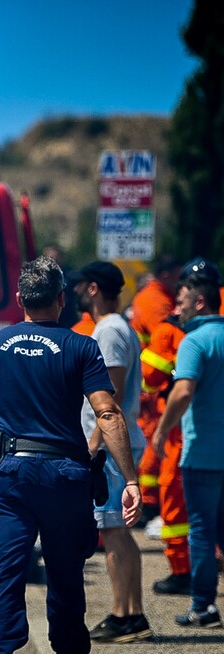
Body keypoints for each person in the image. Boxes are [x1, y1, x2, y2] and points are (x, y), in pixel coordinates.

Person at [0, 256, 142, 654]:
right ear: (62, 301)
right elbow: (108, 414)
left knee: (7, 575)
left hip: (11, 478)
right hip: (64, 474)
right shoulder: (81, 346)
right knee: (65, 577)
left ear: (21, 299)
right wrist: (130, 480)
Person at [75, 261, 152, 644]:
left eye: (79, 286)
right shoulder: (115, 328)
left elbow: (113, 396)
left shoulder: (109, 330)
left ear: (92, 289)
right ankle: (132, 614)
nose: (73, 292)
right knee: (122, 532)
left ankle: (123, 614)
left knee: (114, 533)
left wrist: (94, 444)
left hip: (111, 445)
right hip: (117, 441)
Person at [153, 269, 224, 628]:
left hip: (203, 454)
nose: (176, 309)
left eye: (181, 302)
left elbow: (181, 391)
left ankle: (203, 606)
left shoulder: (195, 342)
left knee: (201, 529)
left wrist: (162, 432)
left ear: (200, 301)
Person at [140, 312, 191, 595]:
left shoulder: (169, 330)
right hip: (207, 424)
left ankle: (182, 570)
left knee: (173, 491)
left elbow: (149, 374)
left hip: (178, 426)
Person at [130, 256, 182, 520]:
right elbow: (169, 336)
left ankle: (148, 499)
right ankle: (149, 502)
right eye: (176, 275)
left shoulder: (152, 296)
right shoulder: (157, 302)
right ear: (164, 275)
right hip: (151, 383)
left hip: (148, 379)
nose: (179, 281)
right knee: (154, 440)